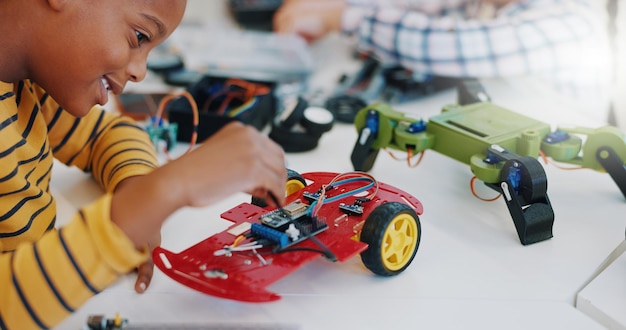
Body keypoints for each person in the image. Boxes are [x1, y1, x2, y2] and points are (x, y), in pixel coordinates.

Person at [0, 0, 287, 329]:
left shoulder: (24, 84)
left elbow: (106, 134)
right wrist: (161, 192)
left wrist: (135, 189)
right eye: (139, 36)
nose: (140, 72)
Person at [274, 0, 613, 124]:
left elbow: (454, 44)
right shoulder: (491, 3)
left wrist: (344, 18)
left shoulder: (570, 22)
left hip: (570, 182)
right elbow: (426, 8)